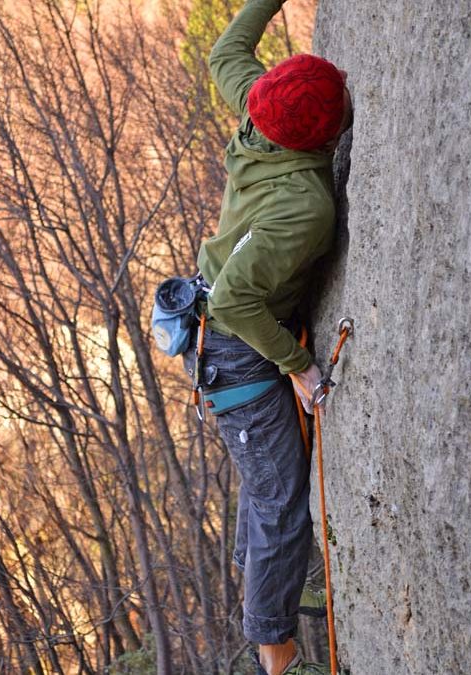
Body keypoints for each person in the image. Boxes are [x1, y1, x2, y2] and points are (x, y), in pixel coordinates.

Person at [182, 1, 353, 674]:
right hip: (235, 343)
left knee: (263, 487)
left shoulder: (259, 115)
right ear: (326, 134)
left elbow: (224, 54)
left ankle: (262, 589)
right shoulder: (305, 205)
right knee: (280, 503)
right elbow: (235, 298)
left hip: (226, 334)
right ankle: (273, 655)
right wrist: (298, 367)